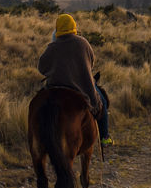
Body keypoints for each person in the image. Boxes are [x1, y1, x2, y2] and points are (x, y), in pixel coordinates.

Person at [38, 13, 112, 145]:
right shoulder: (83, 42)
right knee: (102, 102)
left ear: (58, 28)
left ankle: (39, 138)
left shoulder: (52, 46)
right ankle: (105, 137)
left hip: (57, 86)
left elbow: (41, 67)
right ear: (73, 26)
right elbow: (92, 61)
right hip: (81, 85)